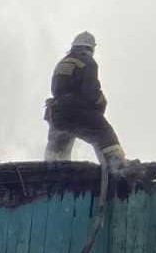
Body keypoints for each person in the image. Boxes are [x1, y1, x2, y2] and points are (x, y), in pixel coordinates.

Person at [44, 31, 127, 172]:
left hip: (56, 114)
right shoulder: (88, 62)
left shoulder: (62, 62)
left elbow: (55, 89)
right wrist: (101, 103)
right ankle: (117, 167)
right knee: (104, 134)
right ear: (90, 48)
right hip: (78, 111)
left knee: (57, 153)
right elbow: (91, 92)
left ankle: (53, 175)